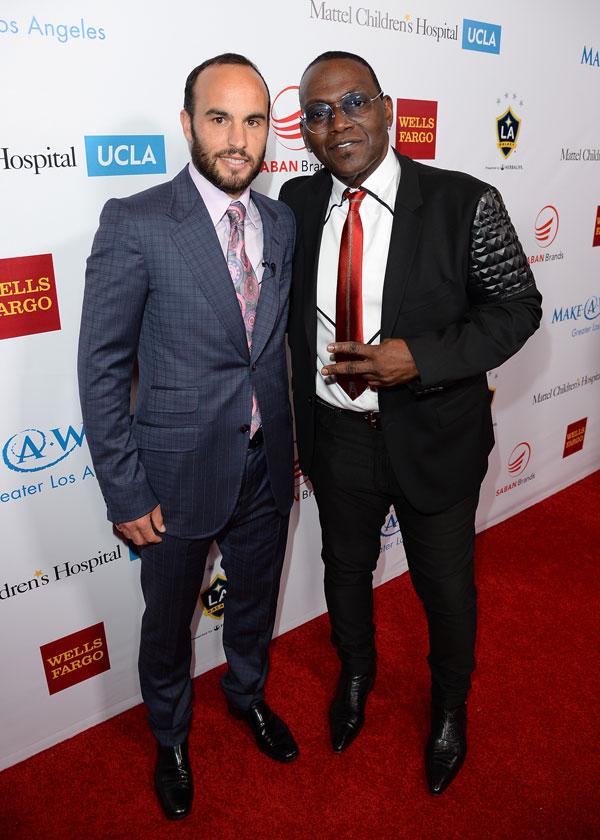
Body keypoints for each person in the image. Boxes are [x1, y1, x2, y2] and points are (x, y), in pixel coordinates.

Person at [280, 51, 542, 795]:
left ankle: (450, 709)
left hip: (435, 440)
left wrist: (418, 360)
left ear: (389, 108)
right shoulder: (296, 206)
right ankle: (356, 675)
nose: (339, 123)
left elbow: (519, 310)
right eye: (320, 112)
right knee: (344, 571)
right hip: (336, 439)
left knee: (446, 592)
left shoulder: (467, 201)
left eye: (355, 101)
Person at [78, 53, 298, 821]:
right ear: (187, 124)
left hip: (268, 467)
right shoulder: (135, 222)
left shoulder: (280, 221)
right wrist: (125, 488)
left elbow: (266, 348)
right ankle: (171, 736)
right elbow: (102, 367)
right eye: (219, 117)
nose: (238, 138)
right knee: (167, 625)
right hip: (171, 478)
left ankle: (246, 695)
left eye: (254, 119)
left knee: (255, 603)